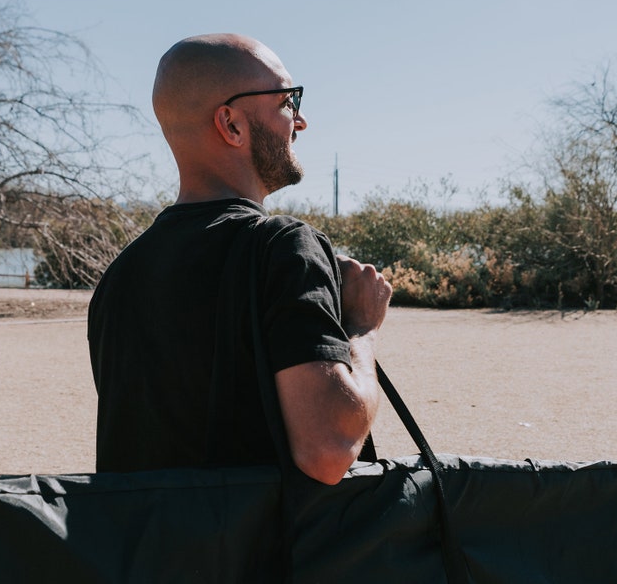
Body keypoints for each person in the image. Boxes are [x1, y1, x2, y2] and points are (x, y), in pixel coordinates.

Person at [88, 34, 391, 485]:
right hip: (263, 554)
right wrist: (361, 328)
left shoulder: (120, 275)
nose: (301, 121)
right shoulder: (282, 246)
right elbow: (328, 450)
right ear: (231, 125)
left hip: (148, 553)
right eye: (288, 101)